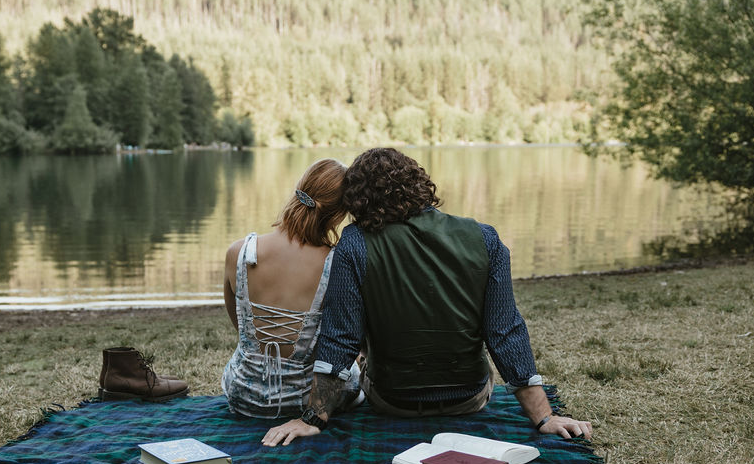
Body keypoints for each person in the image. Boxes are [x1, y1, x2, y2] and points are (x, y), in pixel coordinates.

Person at [262, 147, 592, 446]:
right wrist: (544, 418)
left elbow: (340, 339)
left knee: (364, 353)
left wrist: (312, 418)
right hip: (469, 400)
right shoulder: (485, 238)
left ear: (357, 200)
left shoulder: (353, 243)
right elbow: (505, 333)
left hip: (392, 403)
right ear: (419, 183)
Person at [221, 158, 361, 418]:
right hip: (304, 401)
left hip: (244, 395)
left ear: (299, 189)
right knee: (352, 371)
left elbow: (240, 329)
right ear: (338, 214)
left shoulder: (239, 252)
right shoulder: (336, 262)